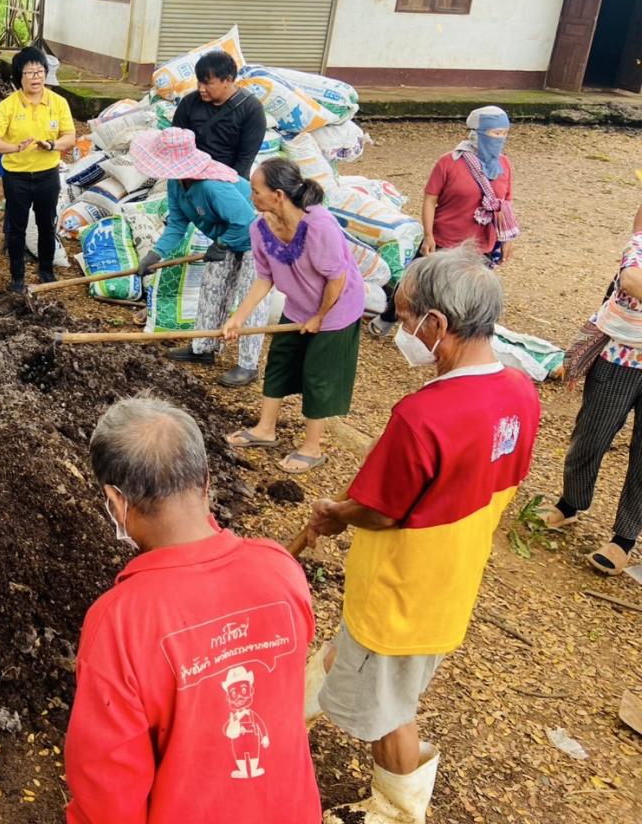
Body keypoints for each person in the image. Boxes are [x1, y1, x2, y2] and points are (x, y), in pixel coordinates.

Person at [304, 247, 539, 824]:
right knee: (362, 658)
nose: (400, 329)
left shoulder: (423, 415)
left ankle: (397, 808)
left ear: (437, 323)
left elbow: (380, 512)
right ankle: (296, 701)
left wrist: (337, 513)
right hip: (453, 576)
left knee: (389, 711)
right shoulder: (520, 391)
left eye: (406, 318)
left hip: (400, 591)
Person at [65, 396, 319, 824]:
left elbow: (108, 793)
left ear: (116, 501)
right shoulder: (281, 569)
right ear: (205, 480)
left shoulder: (119, 622)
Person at [220, 158, 365, 473]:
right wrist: (238, 317)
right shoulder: (259, 229)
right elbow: (265, 278)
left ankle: (312, 448)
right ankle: (265, 429)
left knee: (318, 375)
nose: (251, 197)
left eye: (256, 191)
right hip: (298, 307)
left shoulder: (319, 225)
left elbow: (337, 278)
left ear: (278, 195)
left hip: (336, 309)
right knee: (280, 361)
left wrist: (320, 317)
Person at [537, 225, 642, 574]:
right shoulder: (640, 244)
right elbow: (631, 280)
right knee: (590, 436)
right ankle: (570, 504)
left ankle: (624, 539)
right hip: (620, 357)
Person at [129, 126, 266, 386]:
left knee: (251, 299)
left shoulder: (212, 186)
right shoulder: (177, 183)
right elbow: (177, 224)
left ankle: (248, 365)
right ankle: (203, 347)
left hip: (257, 239)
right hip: (226, 237)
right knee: (212, 289)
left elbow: (246, 221)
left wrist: (222, 244)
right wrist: (155, 254)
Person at [369, 106, 517, 336]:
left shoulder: (504, 165)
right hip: (445, 238)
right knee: (414, 282)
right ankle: (389, 316)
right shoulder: (449, 162)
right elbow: (430, 199)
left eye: (504, 134)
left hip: (482, 245)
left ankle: (448, 334)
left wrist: (506, 239)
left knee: (464, 290)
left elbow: (505, 202)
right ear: (476, 133)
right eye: (495, 133)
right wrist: (428, 235)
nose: (501, 139)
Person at [0, 45, 75, 293]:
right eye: (29, 73)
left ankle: (46, 271)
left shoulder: (58, 103)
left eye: (39, 71)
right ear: (19, 76)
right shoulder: (8, 106)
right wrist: (15, 148)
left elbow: (70, 137)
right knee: (17, 228)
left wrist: (52, 145)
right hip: (17, 177)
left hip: (48, 175)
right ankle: (17, 278)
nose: (36, 77)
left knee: (46, 225)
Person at [171, 50, 266, 180]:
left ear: (228, 80)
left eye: (208, 83)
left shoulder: (251, 109)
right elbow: (175, 141)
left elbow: (245, 160)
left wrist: (226, 185)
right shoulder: (189, 102)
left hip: (225, 179)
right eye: (199, 82)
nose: (201, 89)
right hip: (189, 173)